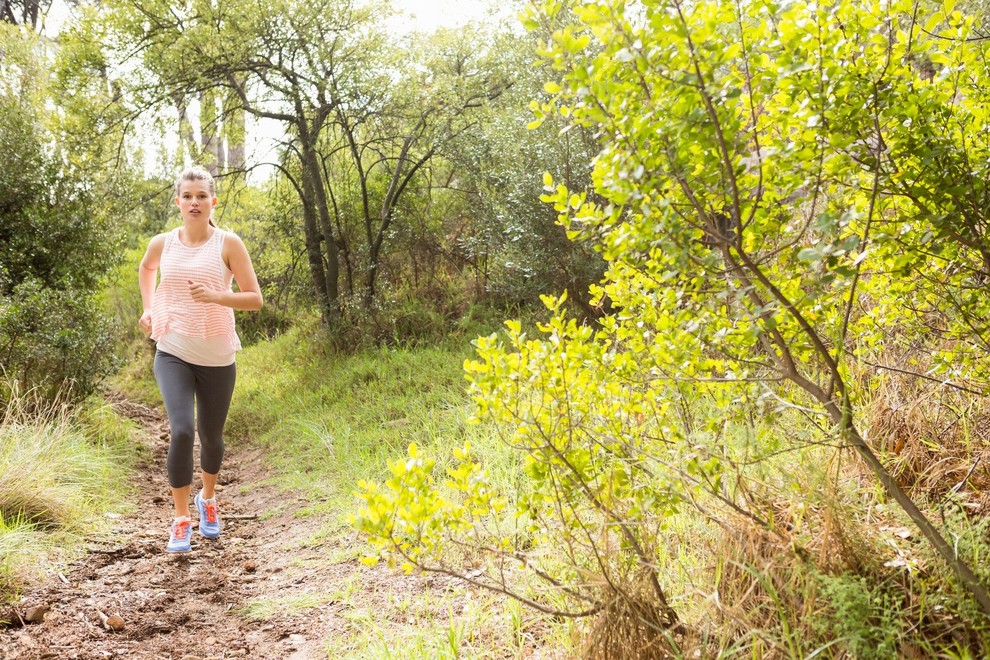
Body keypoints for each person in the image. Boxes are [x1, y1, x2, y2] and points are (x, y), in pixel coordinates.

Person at [138, 166, 263, 553]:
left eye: (201, 196)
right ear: (178, 202)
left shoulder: (228, 243)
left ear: (213, 201)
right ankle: (180, 520)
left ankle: (207, 499)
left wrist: (216, 297)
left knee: (211, 437)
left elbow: (254, 299)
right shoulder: (163, 243)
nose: (194, 202)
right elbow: (146, 268)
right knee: (181, 430)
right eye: (187, 196)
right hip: (172, 351)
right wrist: (148, 310)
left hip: (217, 356)